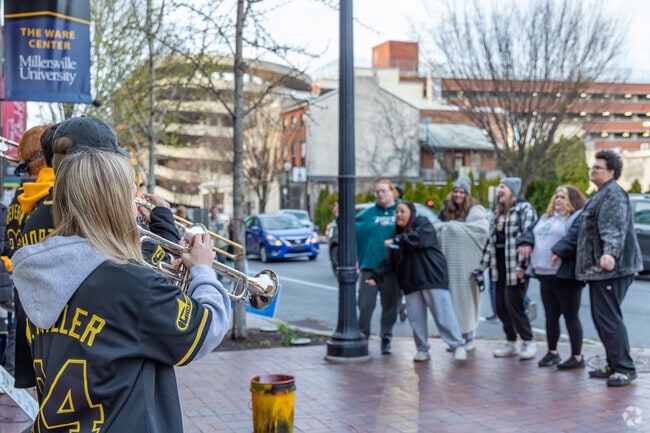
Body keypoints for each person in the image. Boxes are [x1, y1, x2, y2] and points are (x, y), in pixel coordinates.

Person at [12, 150, 231, 432]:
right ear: (114, 204)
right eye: (132, 197)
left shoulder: (37, 275)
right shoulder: (132, 283)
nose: (136, 207)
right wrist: (203, 270)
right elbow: (204, 330)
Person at [366, 201, 467, 362]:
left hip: (432, 278)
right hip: (411, 283)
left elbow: (418, 240)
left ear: (411, 213)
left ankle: (458, 345)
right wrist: (375, 276)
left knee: (443, 314)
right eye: (396, 212)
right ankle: (422, 349)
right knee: (416, 318)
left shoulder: (423, 225)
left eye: (402, 211)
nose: (398, 214)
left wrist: (397, 241)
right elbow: (389, 262)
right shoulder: (396, 236)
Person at [576, 150, 642, 387]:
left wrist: (609, 254)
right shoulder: (600, 194)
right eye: (592, 167)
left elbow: (613, 228)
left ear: (611, 172)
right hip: (599, 270)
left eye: (597, 167)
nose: (592, 170)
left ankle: (624, 368)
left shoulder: (612, 194)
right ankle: (613, 363)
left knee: (609, 318)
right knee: (602, 318)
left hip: (612, 269)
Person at [520, 185, 586, 369]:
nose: (558, 200)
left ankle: (577, 357)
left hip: (564, 276)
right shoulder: (545, 217)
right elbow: (530, 233)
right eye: (557, 196)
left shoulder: (575, 218)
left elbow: (573, 239)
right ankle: (552, 353)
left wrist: (559, 250)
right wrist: (526, 241)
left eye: (563, 197)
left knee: (570, 316)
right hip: (544, 274)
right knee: (551, 316)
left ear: (572, 201)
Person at [334, 179, 402, 354]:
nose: (380, 194)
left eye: (383, 191)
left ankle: (386, 338)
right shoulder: (369, 213)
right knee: (365, 304)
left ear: (392, 192)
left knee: (390, 307)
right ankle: (363, 336)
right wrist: (339, 218)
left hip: (393, 269)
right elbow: (350, 227)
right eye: (377, 191)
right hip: (370, 267)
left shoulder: (401, 210)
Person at [476, 177, 538, 360]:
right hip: (498, 266)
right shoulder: (497, 212)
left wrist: (522, 266)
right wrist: (481, 267)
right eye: (498, 187)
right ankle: (511, 342)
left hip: (515, 266)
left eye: (502, 187)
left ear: (512, 190)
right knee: (500, 307)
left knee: (515, 305)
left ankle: (528, 341)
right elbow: (490, 241)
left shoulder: (524, 209)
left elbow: (528, 236)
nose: (499, 190)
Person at [436, 175, 489, 351]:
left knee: (469, 299)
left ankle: (471, 337)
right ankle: (457, 338)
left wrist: (452, 227)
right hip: (451, 264)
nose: (458, 195)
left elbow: (480, 231)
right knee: (452, 301)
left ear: (467, 194)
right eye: (456, 191)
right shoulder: (445, 211)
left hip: (468, 264)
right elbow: (438, 228)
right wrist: (452, 227)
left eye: (462, 192)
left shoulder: (475, 211)